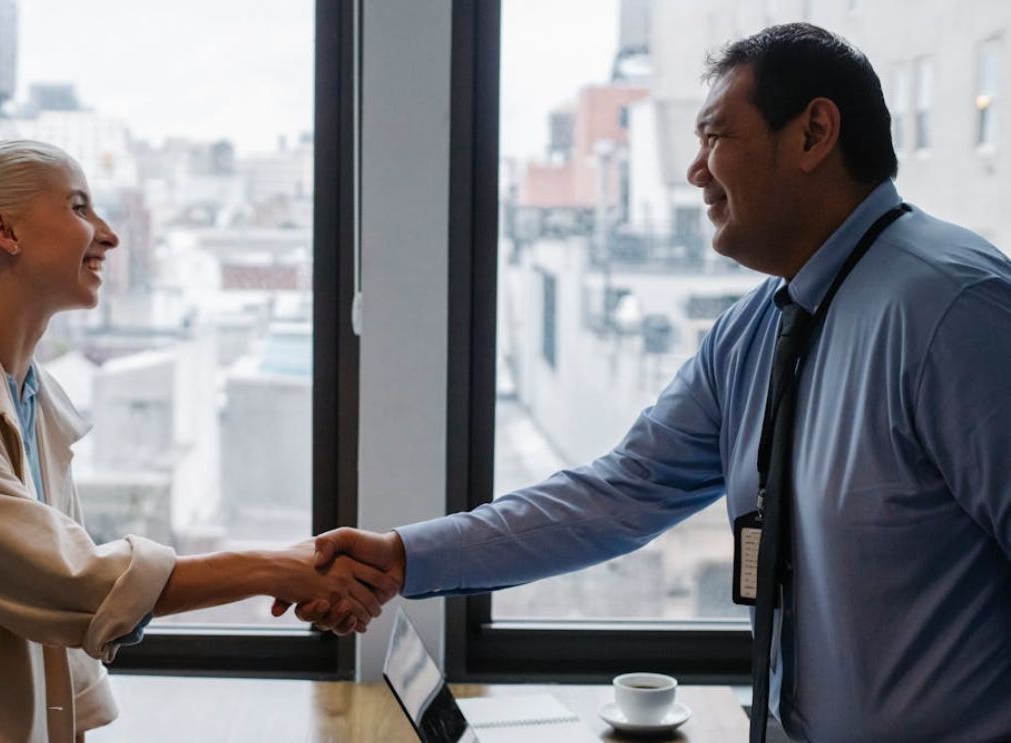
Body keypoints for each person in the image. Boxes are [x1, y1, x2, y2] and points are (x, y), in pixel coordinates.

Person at [277, 23, 1011, 743]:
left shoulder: (955, 311)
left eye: (714, 136)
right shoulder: (756, 327)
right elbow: (617, 494)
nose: (694, 171)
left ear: (813, 134)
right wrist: (403, 556)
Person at [0, 140, 398, 743]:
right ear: (4, 231)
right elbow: (66, 583)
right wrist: (274, 569)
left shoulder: (25, 390)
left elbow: (43, 615)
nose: (108, 233)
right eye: (77, 207)